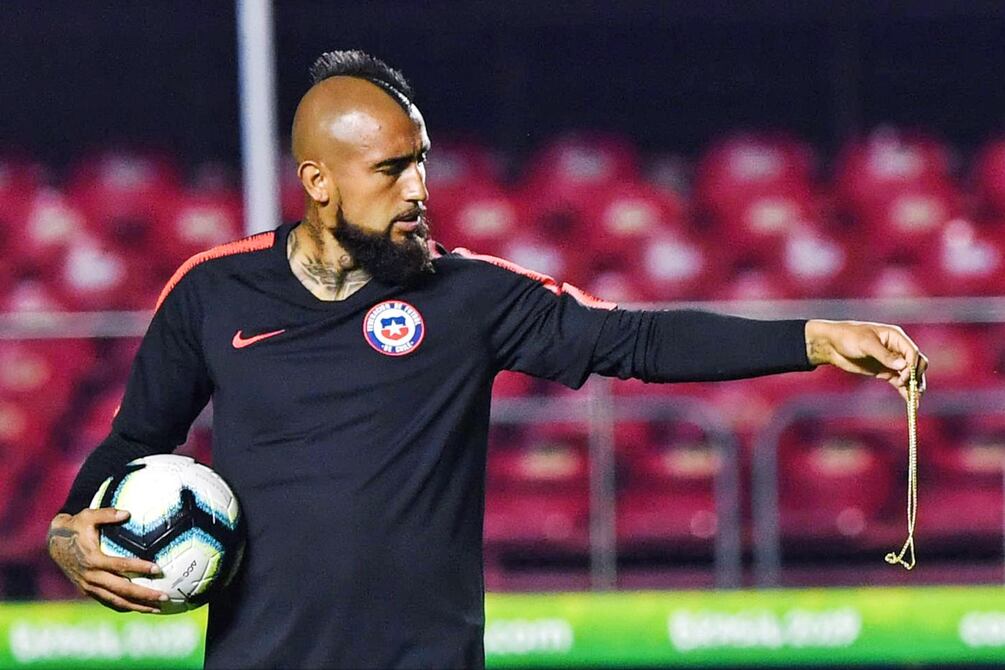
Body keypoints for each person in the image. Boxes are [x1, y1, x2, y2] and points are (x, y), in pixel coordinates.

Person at [47, 50, 928, 669]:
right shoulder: (212, 291)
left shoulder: (467, 296)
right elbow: (133, 441)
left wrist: (812, 338)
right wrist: (67, 529)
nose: (419, 189)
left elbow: (634, 340)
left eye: (421, 164)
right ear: (319, 182)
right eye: (391, 170)